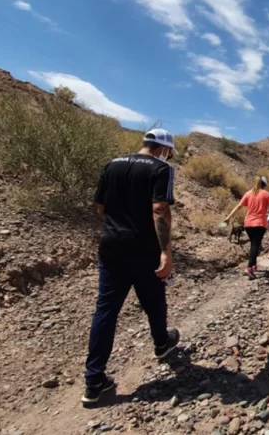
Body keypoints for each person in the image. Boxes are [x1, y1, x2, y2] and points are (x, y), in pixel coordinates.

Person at [83, 128, 180, 406]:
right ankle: (162, 343)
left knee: (106, 310)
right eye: (169, 151)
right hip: (144, 249)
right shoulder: (161, 168)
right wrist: (165, 251)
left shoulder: (112, 164)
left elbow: (101, 208)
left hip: (111, 246)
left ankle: (93, 381)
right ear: (164, 148)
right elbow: (159, 208)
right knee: (154, 299)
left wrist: (119, 224)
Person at [224, 176, 269, 279]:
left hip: (248, 224)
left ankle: (254, 265)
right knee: (255, 245)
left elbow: (239, 206)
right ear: (264, 185)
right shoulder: (267, 194)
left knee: (254, 244)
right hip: (260, 224)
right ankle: (248, 268)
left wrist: (228, 217)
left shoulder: (248, 193)